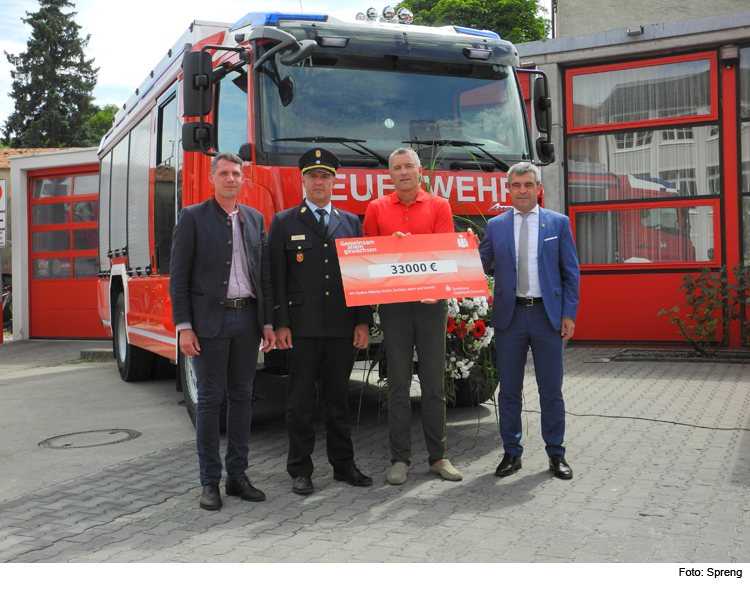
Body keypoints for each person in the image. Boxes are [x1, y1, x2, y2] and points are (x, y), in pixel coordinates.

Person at [170, 152, 276, 510]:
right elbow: (179, 277)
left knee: (243, 399)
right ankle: (209, 482)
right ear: (212, 178)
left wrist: (267, 323)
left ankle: (238, 477)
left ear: (243, 179)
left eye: (236, 174)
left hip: (247, 320)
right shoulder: (193, 217)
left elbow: (264, 276)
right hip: (209, 325)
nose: (231, 179)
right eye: (224, 173)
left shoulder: (256, 219)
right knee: (210, 401)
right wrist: (184, 327)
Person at [269, 148, 373, 495]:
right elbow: (276, 278)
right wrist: (280, 323)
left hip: (342, 327)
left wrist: (362, 322)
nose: (319, 182)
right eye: (312, 176)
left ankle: (343, 466)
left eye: (325, 176)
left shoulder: (351, 222)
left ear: (334, 180)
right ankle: (300, 470)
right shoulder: (284, 221)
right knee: (299, 403)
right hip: (301, 329)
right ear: (303, 181)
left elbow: (361, 279)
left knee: (338, 400)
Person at [362, 147, 463, 485]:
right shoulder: (376, 208)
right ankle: (400, 459)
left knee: (434, 385)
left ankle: (438, 457)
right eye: (396, 168)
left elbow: (447, 251)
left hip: (431, 304)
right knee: (398, 386)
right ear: (389, 174)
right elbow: (366, 259)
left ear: (420, 171)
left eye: (408, 166)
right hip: (394, 306)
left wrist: (414, 246)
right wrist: (391, 245)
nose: (403, 172)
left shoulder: (439, 205)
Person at [478, 162, 580, 480]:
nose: (522, 190)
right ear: (508, 190)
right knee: (509, 390)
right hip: (510, 318)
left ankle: (556, 454)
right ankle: (512, 452)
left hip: (546, 317)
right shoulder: (495, 226)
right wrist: (459, 250)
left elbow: (571, 273)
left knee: (551, 390)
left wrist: (569, 314)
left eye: (528, 184)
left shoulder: (558, 224)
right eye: (516, 185)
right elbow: (477, 263)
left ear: (539, 188)